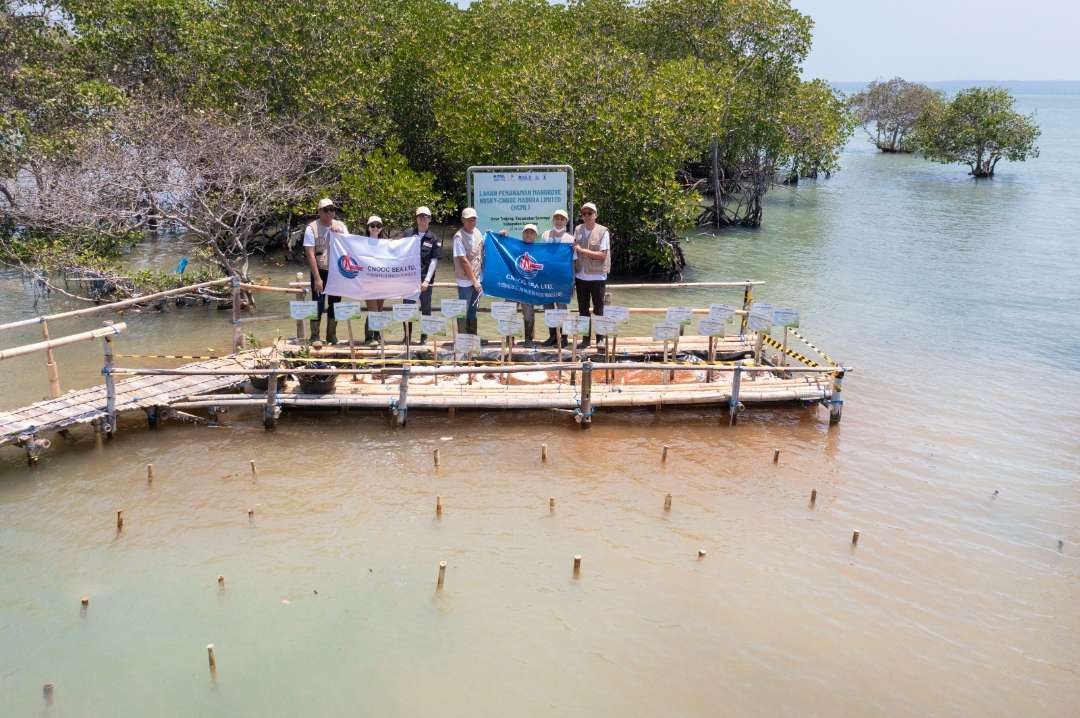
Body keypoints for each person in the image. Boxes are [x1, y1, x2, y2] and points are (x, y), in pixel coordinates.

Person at [303, 198, 349, 344]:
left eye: (332, 209)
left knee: (335, 303)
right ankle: (315, 336)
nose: (330, 213)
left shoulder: (341, 225)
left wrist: (340, 233)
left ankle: (331, 335)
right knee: (317, 303)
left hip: (337, 272)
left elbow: (350, 245)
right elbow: (310, 254)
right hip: (320, 271)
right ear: (320, 211)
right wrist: (317, 278)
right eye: (326, 210)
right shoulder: (311, 228)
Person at [573, 201, 610, 349]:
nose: (587, 216)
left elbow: (602, 255)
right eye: (584, 213)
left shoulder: (603, 232)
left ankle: (600, 339)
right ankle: (585, 339)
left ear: (596, 215)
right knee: (583, 310)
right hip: (580, 277)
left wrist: (582, 251)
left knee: (599, 309)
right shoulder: (577, 229)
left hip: (597, 277)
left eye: (590, 213)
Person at [401, 206, 441, 344]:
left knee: (426, 310)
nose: (422, 219)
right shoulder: (407, 234)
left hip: (425, 282)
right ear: (416, 218)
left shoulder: (434, 238)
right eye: (420, 216)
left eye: (426, 217)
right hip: (409, 282)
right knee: (407, 310)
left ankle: (424, 338)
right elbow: (397, 254)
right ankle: (407, 337)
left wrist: (427, 280)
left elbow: (434, 261)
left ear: (430, 219)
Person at [541, 209, 574, 347]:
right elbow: (540, 256)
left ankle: (564, 338)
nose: (559, 221)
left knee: (562, 309)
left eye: (562, 219)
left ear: (566, 221)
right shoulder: (545, 235)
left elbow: (573, 262)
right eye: (557, 218)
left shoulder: (570, 239)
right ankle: (552, 336)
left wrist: (572, 282)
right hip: (547, 278)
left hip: (562, 281)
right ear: (553, 220)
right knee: (548, 308)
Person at [452, 207, 484, 335]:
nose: (472, 222)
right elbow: (463, 261)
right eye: (469, 220)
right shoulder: (458, 237)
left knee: (473, 310)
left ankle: (472, 338)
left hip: (477, 279)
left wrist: (501, 236)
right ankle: (462, 340)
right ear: (462, 220)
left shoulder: (477, 232)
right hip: (466, 281)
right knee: (462, 311)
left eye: (473, 219)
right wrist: (474, 281)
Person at [363, 215, 386, 346]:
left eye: (378, 226)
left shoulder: (386, 244)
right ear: (368, 227)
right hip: (368, 282)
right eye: (372, 225)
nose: (375, 228)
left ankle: (377, 336)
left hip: (382, 282)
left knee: (379, 309)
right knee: (373, 310)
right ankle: (369, 337)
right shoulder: (361, 242)